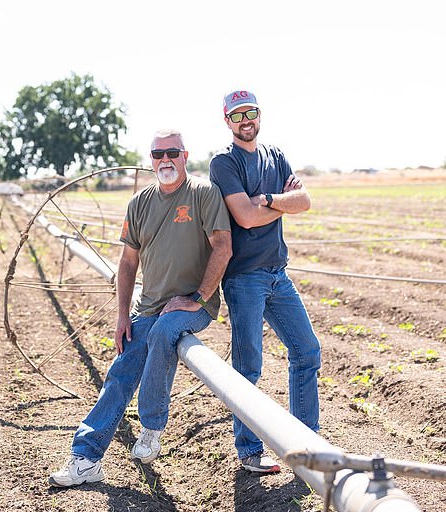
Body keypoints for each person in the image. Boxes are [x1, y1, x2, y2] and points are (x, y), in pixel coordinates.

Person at [49, 129, 232, 487]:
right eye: (158, 154)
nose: (165, 160)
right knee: (120, 371)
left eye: (172, 153)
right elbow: (128, 262)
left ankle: (151, 429)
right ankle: (86, 458)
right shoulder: (139, 203)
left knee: (166, 332)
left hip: (192, 305)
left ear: (184, 155)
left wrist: (196, 298)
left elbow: (222, 248)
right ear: (151, 159)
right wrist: (122, 316)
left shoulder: (203, 194)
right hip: (149, 308)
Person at [209, 90, 321, 474]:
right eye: (237, 115)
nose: (245, 120)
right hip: (244, 279)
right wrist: (279, 203)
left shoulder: (275, 155)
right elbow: (244, 217)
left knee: (307, 352)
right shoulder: (224, 162)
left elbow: (304, 201)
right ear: (227, 120)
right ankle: (250, 451)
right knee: (248, 367)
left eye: (250, 113)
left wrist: (269, 198)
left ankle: (307, 445)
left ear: (259, 115)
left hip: (278, 274)